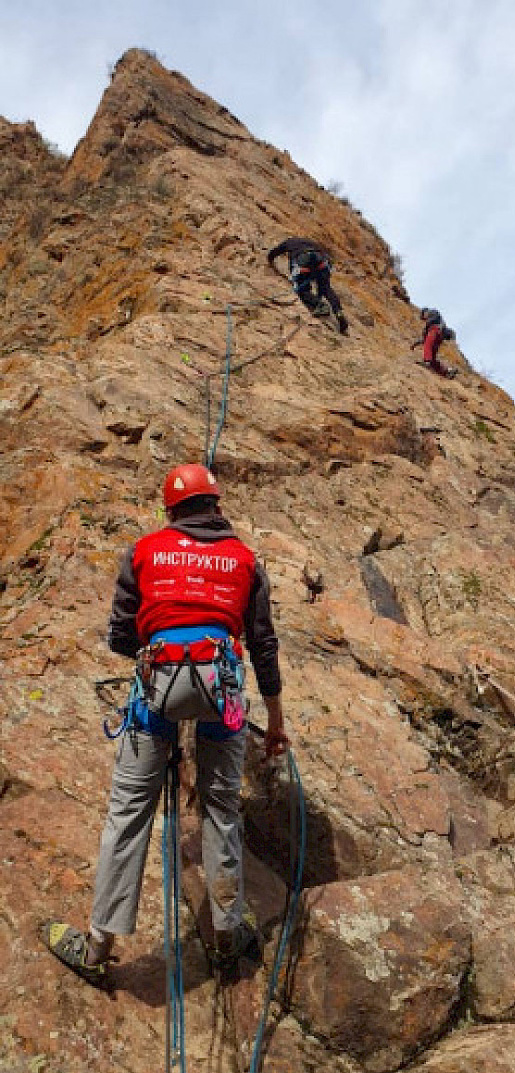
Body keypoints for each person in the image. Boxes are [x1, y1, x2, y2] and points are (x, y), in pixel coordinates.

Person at [44, 463, 288, 984]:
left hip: (156, 689)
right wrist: (275, 722)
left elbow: (119, 635)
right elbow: (264, 646)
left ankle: (97, 946)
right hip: (221, 691)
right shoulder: (245, 560)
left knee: (129, 811)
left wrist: (159, 650)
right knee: (223, 807)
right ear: (216, 507)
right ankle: (225, 937)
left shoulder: (145, 552)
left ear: (171, 511)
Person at [267, 236, 349, 334]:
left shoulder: (290, 242)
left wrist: (269, 259)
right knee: (326, 289)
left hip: (303, 259)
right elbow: (326, 257)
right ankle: (338, 312)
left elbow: (276, 251)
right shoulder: (311, 242)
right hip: (321, 261)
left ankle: (319, 305)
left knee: (302, 289)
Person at [412, 307, 458, 378]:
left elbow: (427, 339)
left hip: (435, 330)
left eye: (423, 316)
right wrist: (416, 344)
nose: (424, 319)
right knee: (432, 358)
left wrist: (427, 329)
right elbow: (424, 339)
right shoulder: (431, 323)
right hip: (438, 337)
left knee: (428, 345)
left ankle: (427, 362)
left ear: (425, 312)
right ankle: (447, 371)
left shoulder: (433, 312)